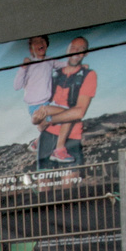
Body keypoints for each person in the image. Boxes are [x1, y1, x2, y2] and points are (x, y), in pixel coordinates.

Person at [35, 36, 97, 166]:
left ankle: (59, 149)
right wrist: (40, 120)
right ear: (67, 50)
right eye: (73, 48)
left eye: (80, 50)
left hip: (72, 136)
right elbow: (42, 103)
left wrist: (48, 120)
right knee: (44, 182)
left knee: (70, 184)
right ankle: (38, 141)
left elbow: (78, 113)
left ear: (86, 53)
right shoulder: (54, 73)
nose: (76, 52)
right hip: (47, 135)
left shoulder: (88, 75)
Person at [13, 35, 69, 157]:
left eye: (42, 41)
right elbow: (17, 86)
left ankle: (36, 143)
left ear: (47, 44)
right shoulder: (29, 64)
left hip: (46, 104)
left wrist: (76, 62)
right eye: (36, 42)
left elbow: (65, 64)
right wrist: (23, 68)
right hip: (35, 107)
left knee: (56, 122)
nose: (40, 44)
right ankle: (39, 123)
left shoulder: (50, 61)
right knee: (64, 115)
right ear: (31, 49)